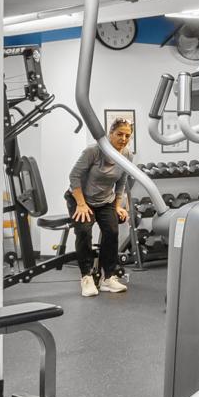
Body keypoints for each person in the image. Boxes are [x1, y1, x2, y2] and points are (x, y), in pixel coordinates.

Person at [68, 120, 133, 296]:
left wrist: (118, 206)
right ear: (110, 133)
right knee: (84, 232)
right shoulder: (93, 151)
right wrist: (81, 204)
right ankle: (86, 277)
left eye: (127, 135)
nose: (124, 138)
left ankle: (108, 278)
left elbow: (122, 182)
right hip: (81, 198)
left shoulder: (126, 154)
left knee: (112, 232)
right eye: (119, 134)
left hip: (106, 200)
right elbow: (74, 176)